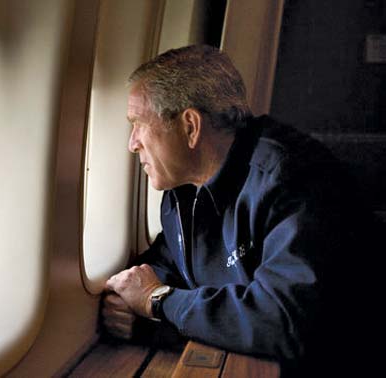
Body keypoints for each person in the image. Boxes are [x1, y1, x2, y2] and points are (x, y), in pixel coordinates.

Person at [102, 44, 379, 376]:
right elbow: (171, 267)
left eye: (138, 124)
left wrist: (156, 299)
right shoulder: (182, 193)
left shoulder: (292, 179)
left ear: (190, 126)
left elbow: (282, 320)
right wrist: (137, 309)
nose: (132, 143)